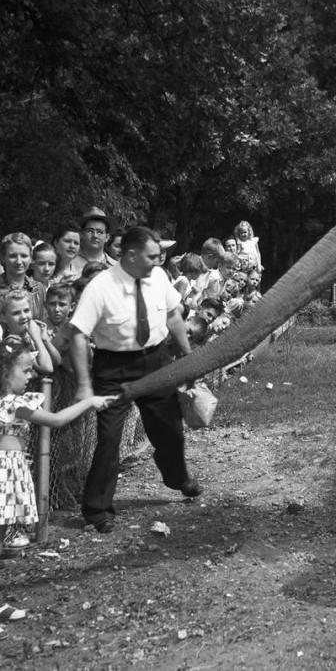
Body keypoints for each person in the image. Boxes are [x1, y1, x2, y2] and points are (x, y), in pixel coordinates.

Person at [0, 342, 115, 641]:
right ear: (4, 372)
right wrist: (89, 402)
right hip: (0, 479)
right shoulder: (11, 404)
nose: (30, 376)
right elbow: (55, 421)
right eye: (26, 370)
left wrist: (6, 449)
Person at [69, 226, 200, 533]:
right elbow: (77, 335)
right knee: (109, 440)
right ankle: (97, 511)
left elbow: (173, 317)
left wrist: (189, 356)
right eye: (152, 256)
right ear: (130, 255)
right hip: (113, 369)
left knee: (170, 430)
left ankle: (177, 478)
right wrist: (85, 386)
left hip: (156, 362)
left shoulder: (158, 277)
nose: (159, 260)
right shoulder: (100, 287)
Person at [0, 232, 46, 324]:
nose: (19, 261)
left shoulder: (39, 289)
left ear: (31, 258)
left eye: (24, 256)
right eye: (13, 256)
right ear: (3, 257)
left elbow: (42, 323)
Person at [70, 207, 116, 275]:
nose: (95, 236)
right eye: (90, 231)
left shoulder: (115, 267)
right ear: (81, 234)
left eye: (99, 232)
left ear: (107, 237)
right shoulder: (68, 263)